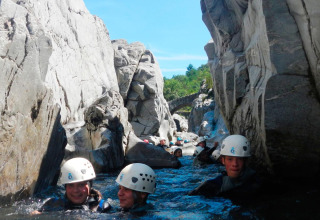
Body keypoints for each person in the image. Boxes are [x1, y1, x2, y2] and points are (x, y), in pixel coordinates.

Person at [188, 135, 261, 199]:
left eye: (239, 159)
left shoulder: (258, 184)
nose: (234, 164)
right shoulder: (212, 186)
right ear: (223, 160)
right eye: (230, 159)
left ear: (245, 160)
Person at [31, 157, 111, 214]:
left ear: (90, 185)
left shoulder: (103, 208)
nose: (75, 190)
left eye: (81, 184)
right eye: (71, 185)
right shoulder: (52, 204)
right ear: (65, 187)